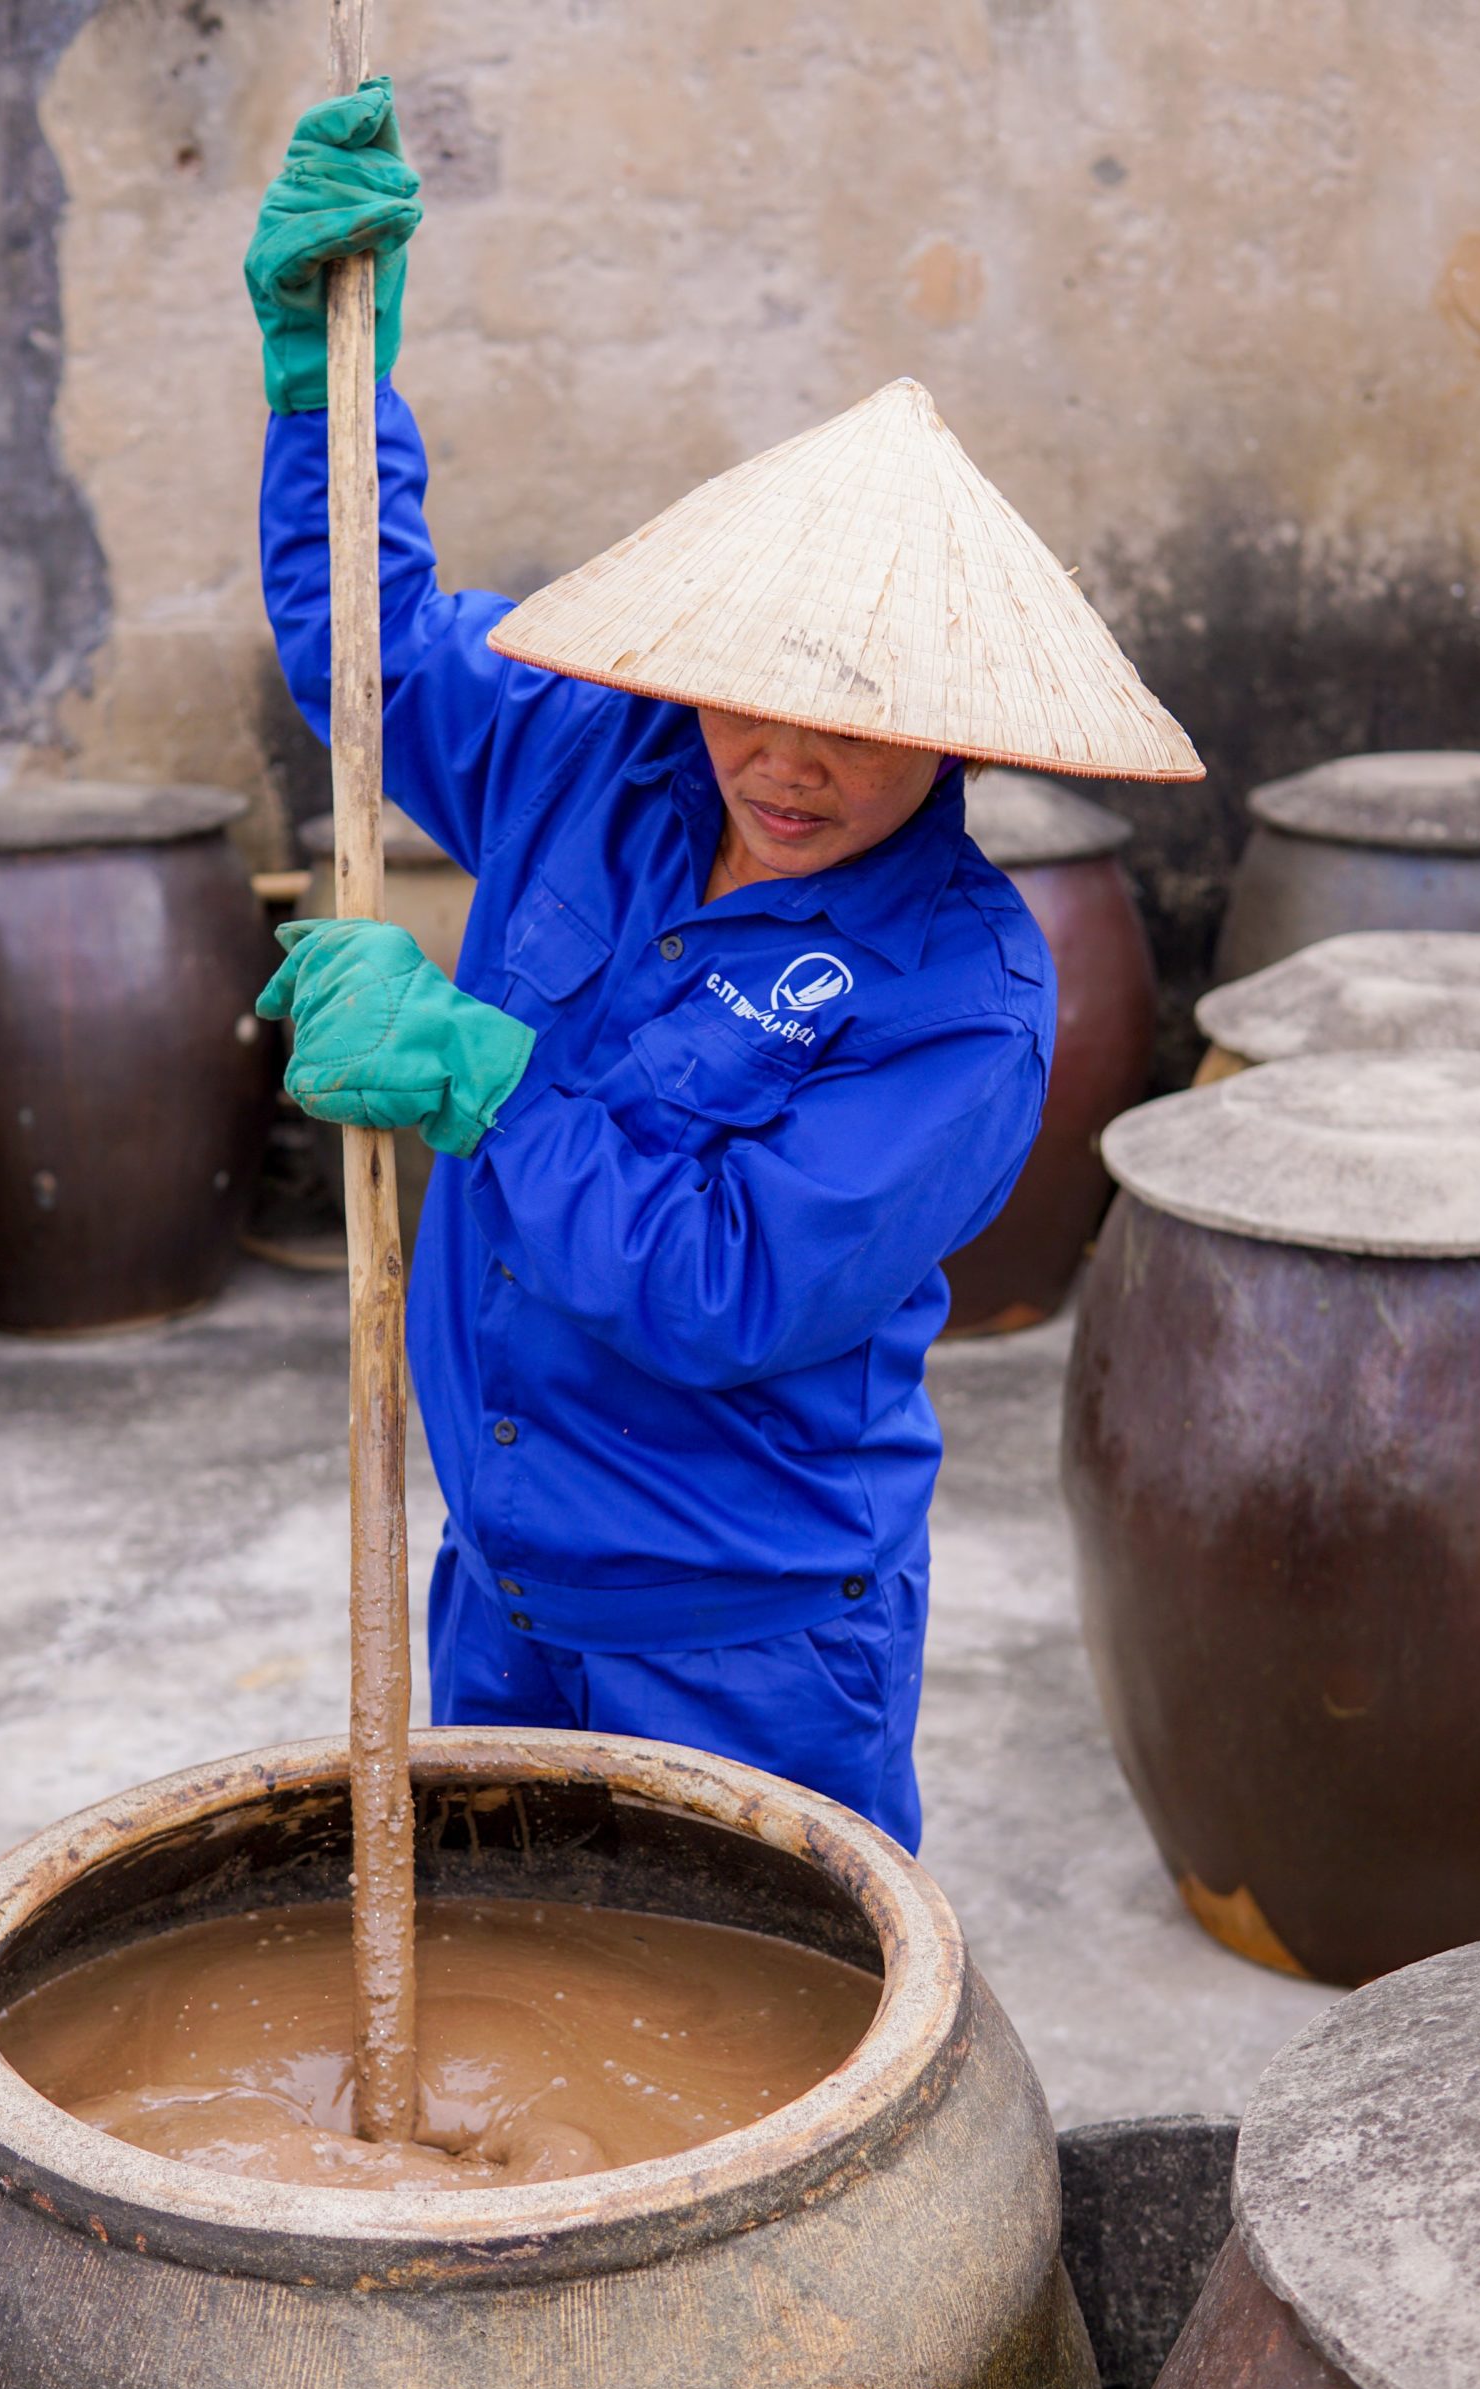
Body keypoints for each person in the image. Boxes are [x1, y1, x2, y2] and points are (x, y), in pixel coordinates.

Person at [245, 80, 1201, 1854]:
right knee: (515, 1996)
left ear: (955, 729)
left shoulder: (961, 999)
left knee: (781, 2018)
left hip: (747, 1642)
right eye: (750, 698)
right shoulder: (586, 748)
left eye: (859, 726)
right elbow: (365, 657)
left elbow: (723, 1287)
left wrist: (480, 1076)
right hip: (499, 1579)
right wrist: (326, 393)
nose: (789, 763)